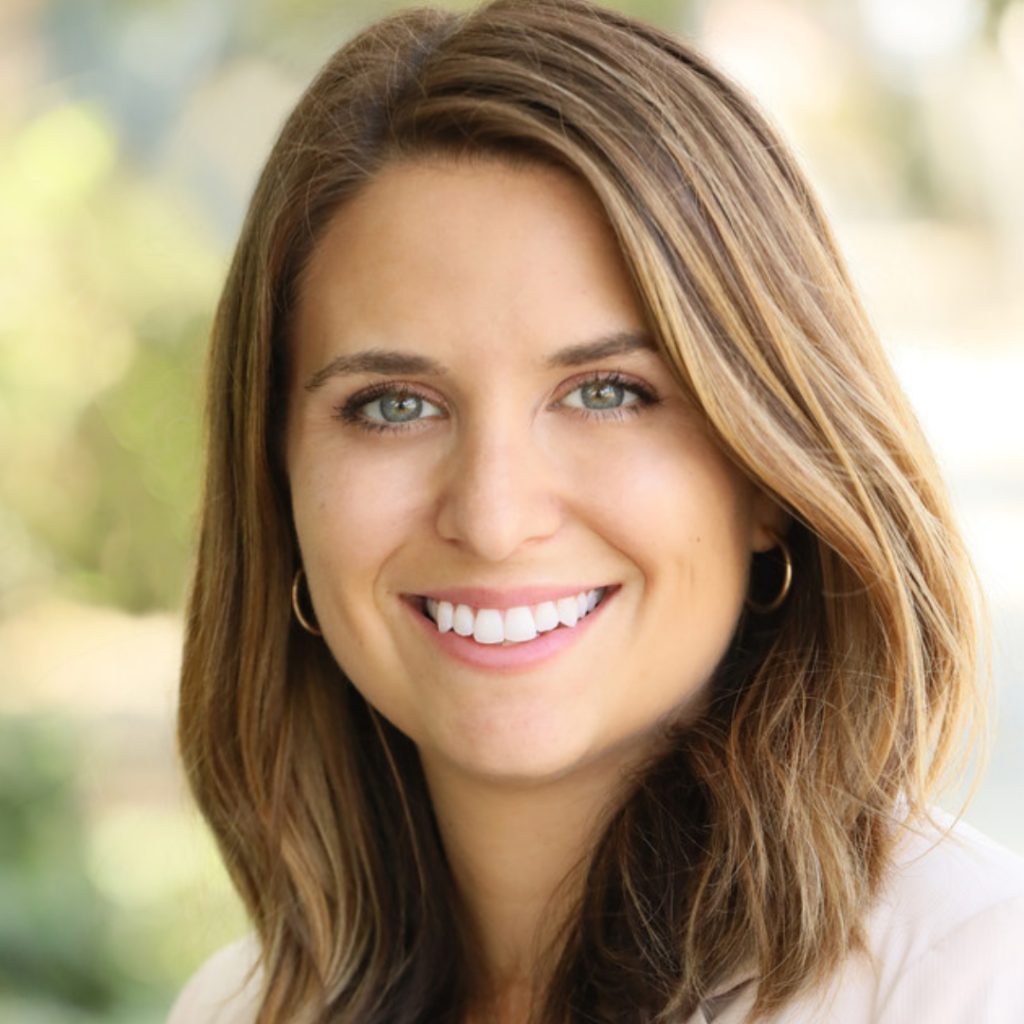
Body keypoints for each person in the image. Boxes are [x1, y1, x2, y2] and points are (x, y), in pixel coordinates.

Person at [168, 1, 1024, 1021]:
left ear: (767, 474)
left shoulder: (969, 980)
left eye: (607, 391)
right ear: (279, 486)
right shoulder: (239, 1005)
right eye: (394, 405)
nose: (490, 516)